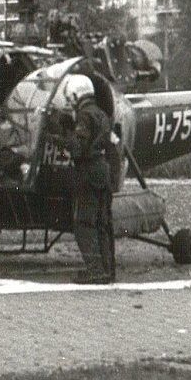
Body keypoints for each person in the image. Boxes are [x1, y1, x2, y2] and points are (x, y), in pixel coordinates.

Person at [57, 74, 115, 284]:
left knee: (84, 223)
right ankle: (107, 270)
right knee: (102, 223)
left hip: (88, 171)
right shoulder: (101, 114)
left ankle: (95, 270)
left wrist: (65, 133)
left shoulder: (84, 116)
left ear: (76, 94)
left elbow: (78, 148)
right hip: (103, 169)